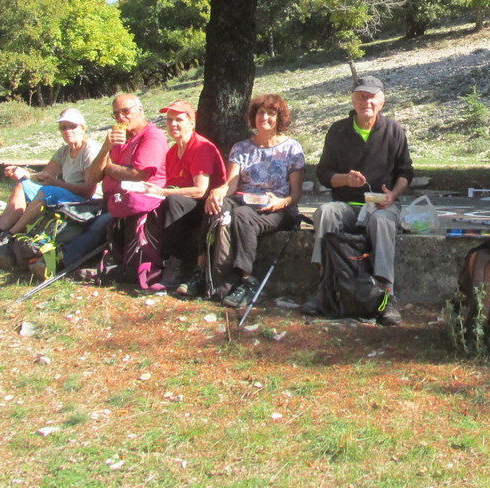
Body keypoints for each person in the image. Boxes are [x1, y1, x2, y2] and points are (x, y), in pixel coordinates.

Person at [300, 76, 413, 326]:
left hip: (381, 204)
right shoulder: (338, 130)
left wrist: (392, 195)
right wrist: (344, 180)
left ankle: (386, 294)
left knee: (383, 221)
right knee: (325, 212)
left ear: (382, 102)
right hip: (347, 205)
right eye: (361, 96)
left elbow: (406, 172)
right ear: (353, 100)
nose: (367, 102)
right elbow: (323, 174)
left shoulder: (394, 130)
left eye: (372, 97)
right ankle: (324, 287)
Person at [194, 94, 305, 307]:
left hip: (278, 207)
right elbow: (231, 184)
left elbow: (296, 193)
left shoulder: (292, 148)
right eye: (261, 113)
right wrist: (217, 191)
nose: (265, 117)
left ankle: (246, 279)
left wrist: (280, 203)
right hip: (245, 201)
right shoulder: (241, 148)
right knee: (215, 206)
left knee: (241, 216)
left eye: (271, 113)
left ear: (279, 118)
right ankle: (201, 272)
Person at [0, 107, 101, 268]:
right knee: (23, 185)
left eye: (72, 126)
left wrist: (55, 184)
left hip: (89, 201)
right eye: (63, 127)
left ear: (82, 127)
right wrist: (23, 173)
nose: (67, 130)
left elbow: (89, 190)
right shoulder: (64, 151)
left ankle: (11, 236)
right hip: (65, 193)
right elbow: (43, 176)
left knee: (47, 192)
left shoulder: (90, 149)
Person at [63, 94, 168, 288]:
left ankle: (63, 260)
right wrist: (105, 148)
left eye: (126, 112)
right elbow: (92, 177)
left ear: (140, 110)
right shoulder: (118, 139)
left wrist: (109, 168)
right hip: (112, 202)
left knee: (99, 225)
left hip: (138, 203)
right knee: (76, 217)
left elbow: (138, 175)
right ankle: (41, 252)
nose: (121, 118)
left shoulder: (151, 136)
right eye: (116, 114)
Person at [141, 100, 226, 290]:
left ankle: (174, 262)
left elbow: (200, 190)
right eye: (169, 120)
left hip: (208, 205)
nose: (173, 125)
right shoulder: (172, 152)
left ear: (192, 123)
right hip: (183, 203)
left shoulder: (200, 147)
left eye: (178, 120)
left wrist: (162, 192)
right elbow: (172, 184)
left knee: (172, 202)